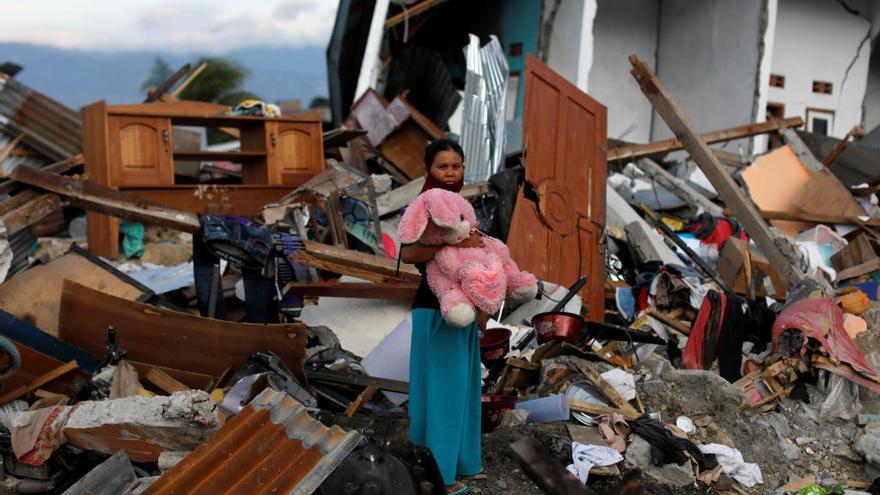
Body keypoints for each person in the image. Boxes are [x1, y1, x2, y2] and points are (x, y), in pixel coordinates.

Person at [400, 139, 484, 494]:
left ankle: (459, 464)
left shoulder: (465, 208)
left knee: (461, 393)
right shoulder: (423, 206)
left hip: (463, 314)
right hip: (437, 313)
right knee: (443, 397)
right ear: (427, 171)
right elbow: (407, 253)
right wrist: (452, 244)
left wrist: (483, 308)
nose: (450, 173)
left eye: (457, 166)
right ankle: (442, 478)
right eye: (442, 167)